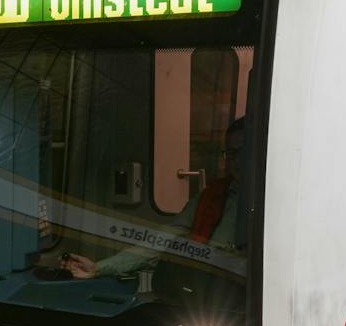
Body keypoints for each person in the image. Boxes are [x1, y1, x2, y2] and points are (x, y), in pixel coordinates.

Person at [62, 117, 245, 279]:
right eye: (231, 154)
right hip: (207, 289)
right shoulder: (212, 195)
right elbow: (161, 241)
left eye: (243, 152)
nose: (237, 160)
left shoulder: (271, 204)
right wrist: (100, 268)